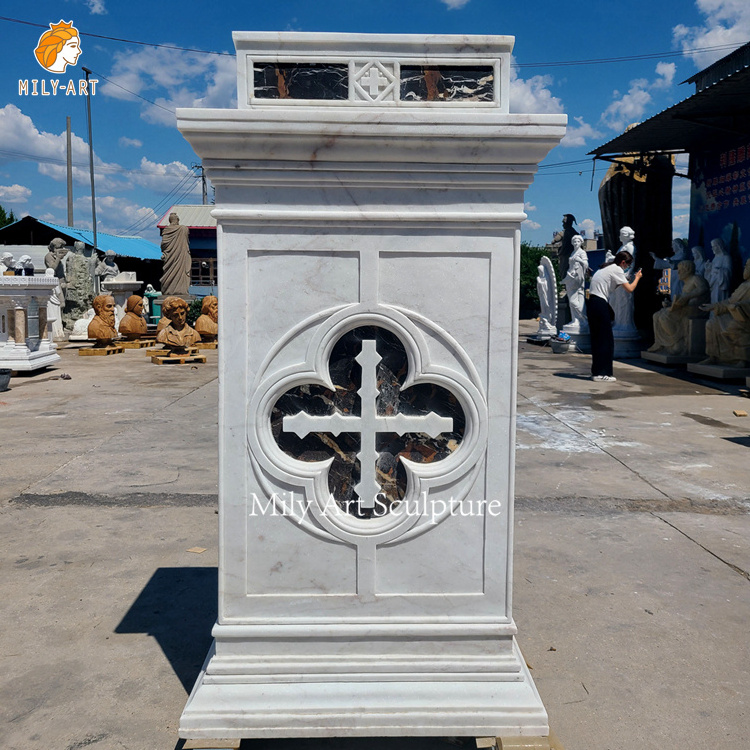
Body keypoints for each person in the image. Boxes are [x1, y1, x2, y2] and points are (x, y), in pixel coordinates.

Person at [587, 249, 642, 381]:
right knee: (606, 340)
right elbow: (630, 289)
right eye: (627, 265)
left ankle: (597, 371)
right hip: (600, 304)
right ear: (623, 262)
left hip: (593, 303)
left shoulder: (606, 268)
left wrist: (624, 279)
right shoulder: (616, 269)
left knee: (597, 339)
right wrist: (637, 278)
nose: (626, 268)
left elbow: (609, 286)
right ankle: (603, 373)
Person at [647, 260, 709, 356]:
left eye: (680, 270)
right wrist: (671, 304)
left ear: (687, 270)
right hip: (686, 307)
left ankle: (677, 343)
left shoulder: (696, 278)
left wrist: (687, 296)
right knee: (656, 315)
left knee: (665, 317)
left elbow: (703, 288)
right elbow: (683, 299)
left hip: (696, 309)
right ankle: (660, 343)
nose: (678, 272)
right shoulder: (686, 283)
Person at [699, 258, 750, 366]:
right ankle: (713, 356)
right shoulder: (743, 286)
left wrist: (739, 305)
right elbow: (730, 301)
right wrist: (714, 306)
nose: (745, 269)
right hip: (734, 315)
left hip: (745, 317)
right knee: (711, 324)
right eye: (745, 266)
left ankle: (742, 358)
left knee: (733, 327)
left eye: (747, 266)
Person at [160, 213, 191, 296]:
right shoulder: (183, 228)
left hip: (170, 257)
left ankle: (169, 289)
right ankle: (180, 290)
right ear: (177, 220)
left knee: (169, 273)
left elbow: (164, 244)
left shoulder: (166, 230)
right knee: (180, 272)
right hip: (180, 255)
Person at [563, 234, 589, 333]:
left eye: (578, 241)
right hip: (571, 276)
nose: (576, 243)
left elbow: (586, 265)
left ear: (581, 242)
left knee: (575, 300)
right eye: (574, 241)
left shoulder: (582, 252)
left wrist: (580, 260)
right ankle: (575, 319)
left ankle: (583, 318)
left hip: (578, 278)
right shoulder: (573, 252)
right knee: (571, 300)